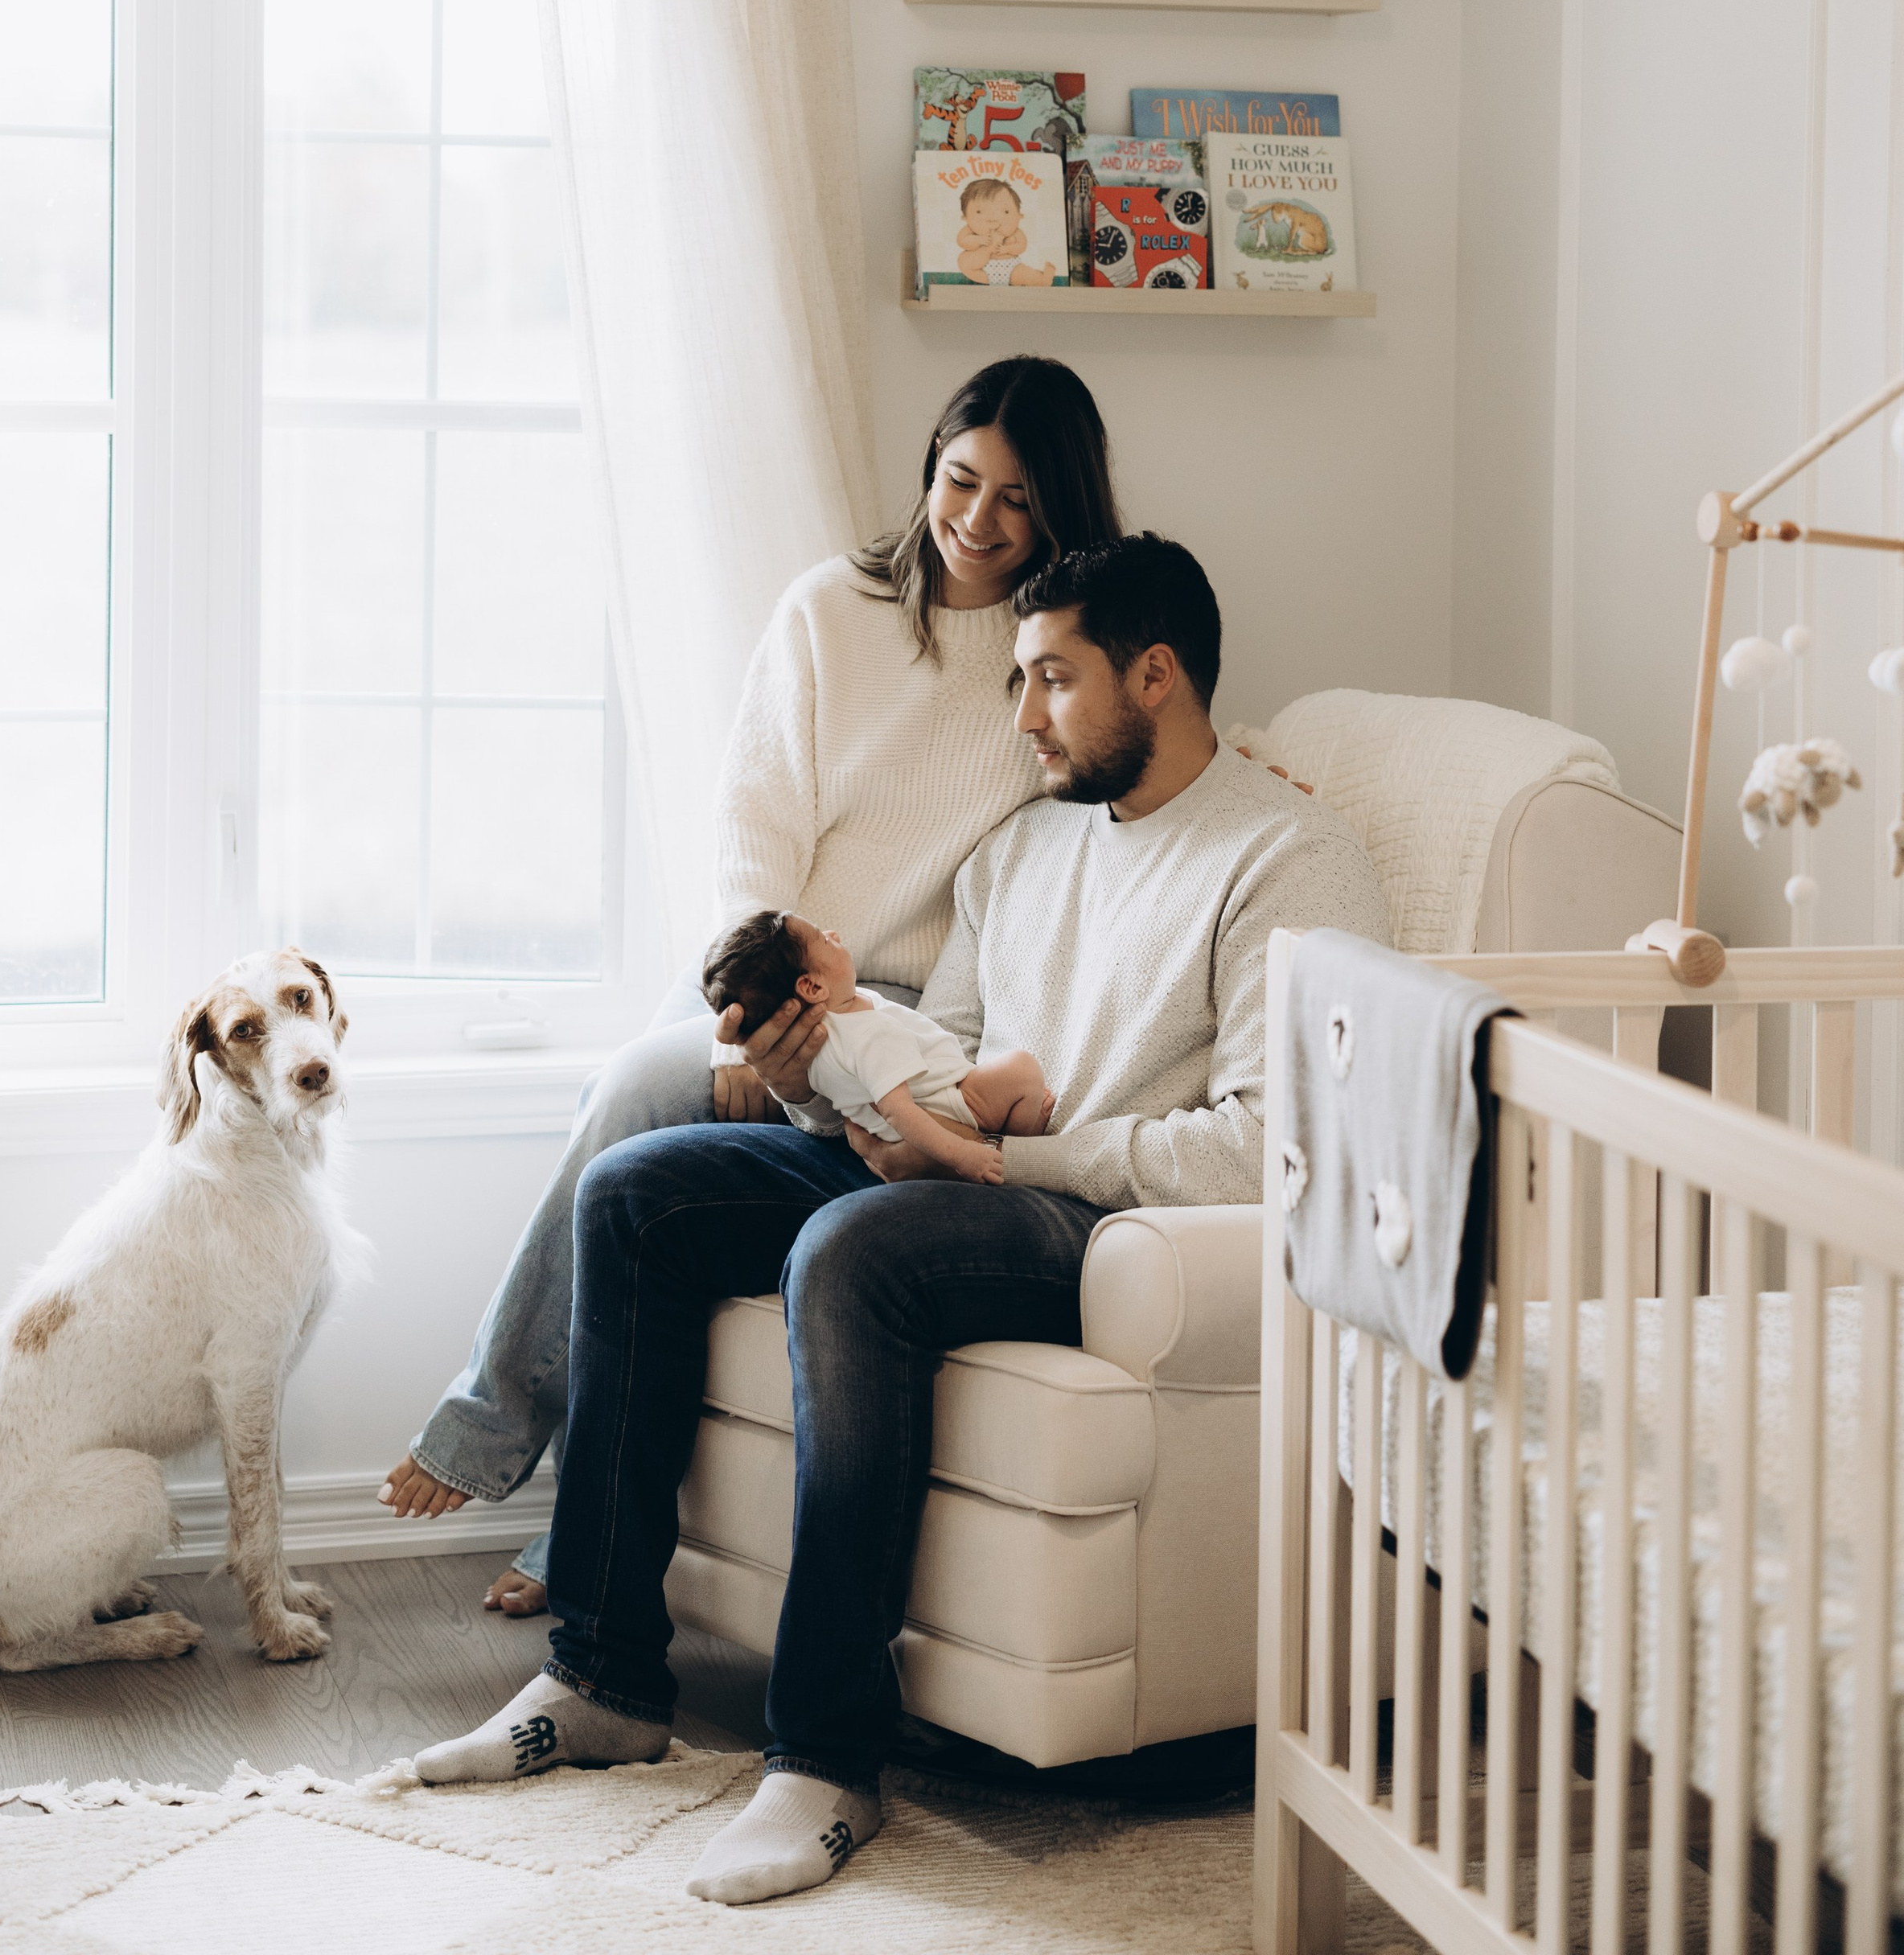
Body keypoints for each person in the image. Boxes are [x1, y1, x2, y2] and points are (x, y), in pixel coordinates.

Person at [410, 533, 1392, 1905]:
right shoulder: (1023, 855)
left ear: (1156, 675)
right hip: (958, 1171)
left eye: (1052, 680)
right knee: (641, 1193)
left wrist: (1006, 1170)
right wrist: (838, 1090)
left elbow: (1267, 1148)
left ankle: (823, 1760)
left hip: (1097, 1231)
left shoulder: (1287, 860)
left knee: (853, 1251)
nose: (1026, 716)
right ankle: (604, 1675)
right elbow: (955, 1053)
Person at [377, 355, 1122, 1612]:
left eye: (1018, 500)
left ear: (1062, 510)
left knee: (630, 1119)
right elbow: (753, 823)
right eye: (959, 481)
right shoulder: (832, 611)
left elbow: (1137, 751)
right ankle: (517, 1454)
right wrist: (747, 1009)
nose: (979, 523)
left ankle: (531, 1483)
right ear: (929, 466)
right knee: (632, 1097)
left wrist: (1254, 762)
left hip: (902, 1018)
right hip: (769, 961)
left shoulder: (1054, 657)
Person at [700, 908, 1054, 1183]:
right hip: (952, 1104)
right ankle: (1023, 1139)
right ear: (812, 988)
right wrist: (965, 1155)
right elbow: (898, 1111)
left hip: (904, 1131)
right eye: (824, 942)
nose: (833, 934)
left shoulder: (824, 1032)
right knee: (1022, 1070)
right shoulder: (867, 1034)